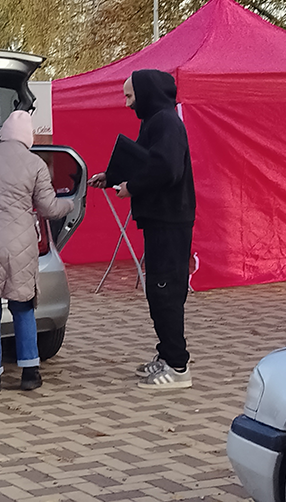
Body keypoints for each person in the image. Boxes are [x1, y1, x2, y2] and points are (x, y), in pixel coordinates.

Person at [89, 70, 196, 389]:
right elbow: (143, 160)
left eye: (130, 96)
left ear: (146, 93)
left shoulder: (166, 123)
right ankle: (167, 354)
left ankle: (177, 367)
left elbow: (166, 168)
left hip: (170, 221)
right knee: (158, 290)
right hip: (160, 219)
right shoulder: (155, 122)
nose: (127, 103)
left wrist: (132, 187)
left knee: (166, 291)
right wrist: (111, 177)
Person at [0, 110, 74, 393]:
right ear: (27, 137)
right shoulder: (35, 164)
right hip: (19, 245)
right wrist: (70, 203)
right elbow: (48, 208)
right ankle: (29, 373)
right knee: (22, 306)